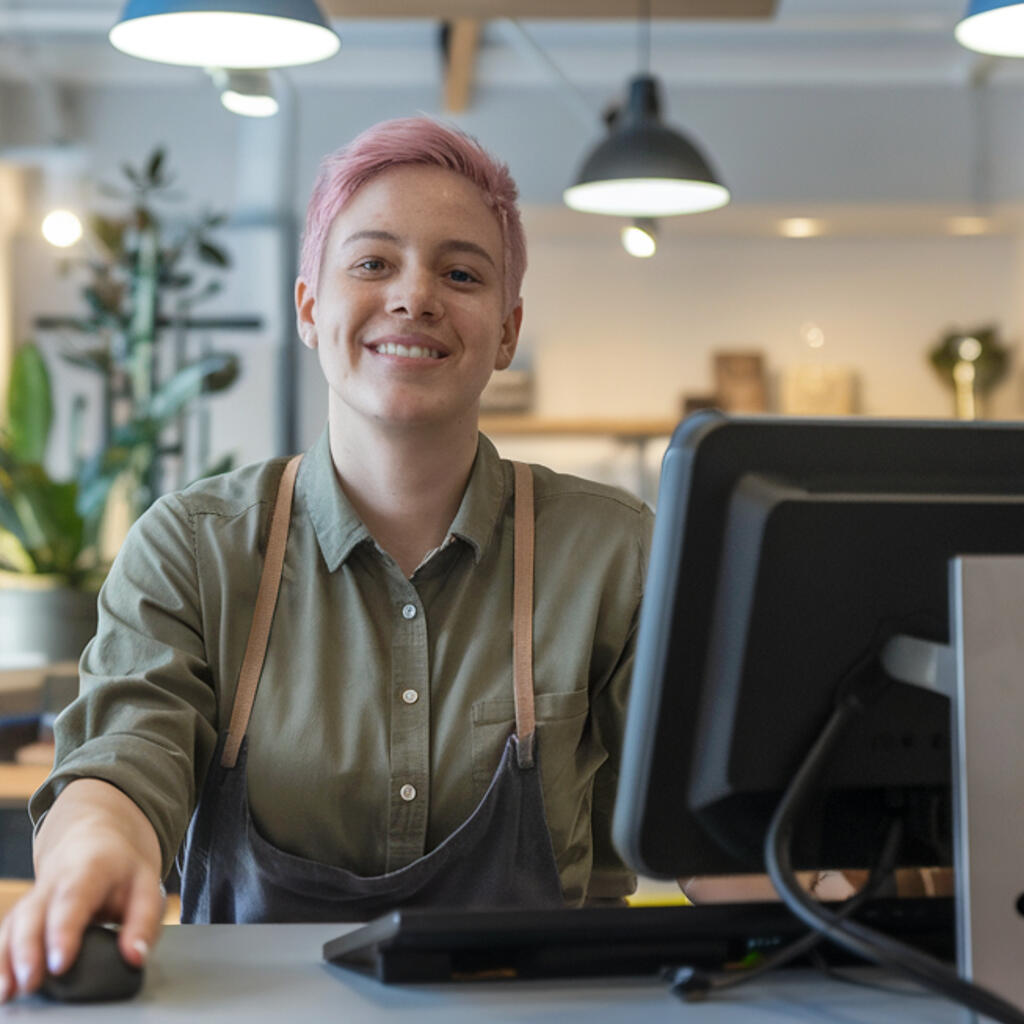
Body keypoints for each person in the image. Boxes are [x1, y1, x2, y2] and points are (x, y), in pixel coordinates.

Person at [0, 117, 653, 1001]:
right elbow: (122, 758)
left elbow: (715, 822)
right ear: (310, 307)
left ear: (507, 330)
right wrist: (93, 852)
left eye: (461, 274)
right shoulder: (194, 547)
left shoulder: (616, 552)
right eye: (373, 263)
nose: (415, 296)